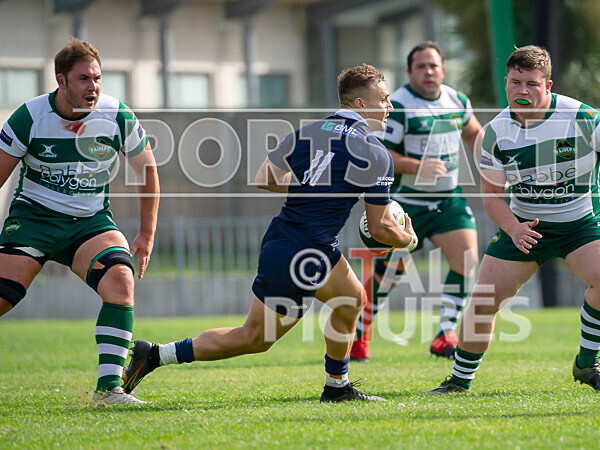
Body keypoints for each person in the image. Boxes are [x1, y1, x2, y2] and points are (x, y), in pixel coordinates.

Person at [122, 64, 418, 403]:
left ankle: (337, 386)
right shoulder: (376, 153)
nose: (390, 107)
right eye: (384, 100)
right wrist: (408, 239)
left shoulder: (305, 131)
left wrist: (311, 187)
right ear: (360, 105)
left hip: (297, 242)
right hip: (304, 253)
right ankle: (156, 355)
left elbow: (264, 176)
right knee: (254, 338)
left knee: (351, 300)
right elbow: (380, 227)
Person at [428, 45, 600, 394]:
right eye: (515, 83)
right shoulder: (496, 131)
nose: (522, 91)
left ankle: (586, 364)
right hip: (525, 228)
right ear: (505, 83)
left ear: (549, 85)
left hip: (583, 225)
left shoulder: (585, 118)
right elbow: (491, 195)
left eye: (531, 84)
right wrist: (513, 228)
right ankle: (458, 382)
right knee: (483, 300)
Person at [0, 38, 159, 405]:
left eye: (98, 78)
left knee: (121, 280)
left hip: (89, 223)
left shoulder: (117, 115)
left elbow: (148, 171)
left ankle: (108, 391)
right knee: (4, 296)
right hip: (34, 218)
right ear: (61, 80)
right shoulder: (30, 116)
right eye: (84, 79)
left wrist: (147, 234)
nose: (93, 87)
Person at [351, 41, 483, 361]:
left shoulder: (457, 100)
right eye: (421, 66)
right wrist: (417, 166)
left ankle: (445, 333)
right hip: (405, 203)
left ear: (443, 69)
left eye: (433, 66)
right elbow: (380, 154)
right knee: (390, 273)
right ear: (410, 72)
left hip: (447, 201)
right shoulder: (397, 105)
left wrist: (497, 160)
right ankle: (359, 332)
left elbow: (474, 134)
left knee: (466, 260)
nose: (428, 71)